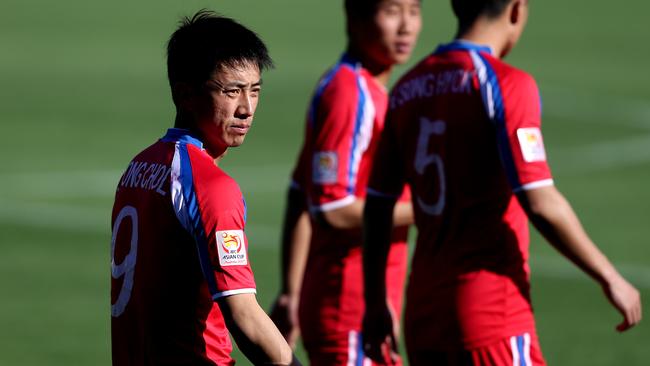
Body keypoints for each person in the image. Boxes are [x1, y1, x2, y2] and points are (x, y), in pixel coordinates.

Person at [361, 0, 643, 365]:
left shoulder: (406, 89)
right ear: (516, 9)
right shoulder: (505, 83)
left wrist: (374, 302)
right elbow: (539, 200)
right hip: (490, 312)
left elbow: (378, 207)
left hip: (424, 315)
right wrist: (609, 276)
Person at [110, 10, 300, 365]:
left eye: (254, 91)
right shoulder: (211, 186)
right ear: (185, 94)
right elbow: (242, 314)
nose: (246, 108)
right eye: (231, 91)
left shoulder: (138, 168)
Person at [269, 0, 421, 364]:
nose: (406, 26)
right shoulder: (350, 95)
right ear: (354, 17)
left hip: (354, 305)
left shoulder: (358, 86)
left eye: (414, 10)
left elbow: (298, 194)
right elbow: (330, 207)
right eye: (391, 11)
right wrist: (428, 209)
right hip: (347, 307)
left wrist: (291, 292)